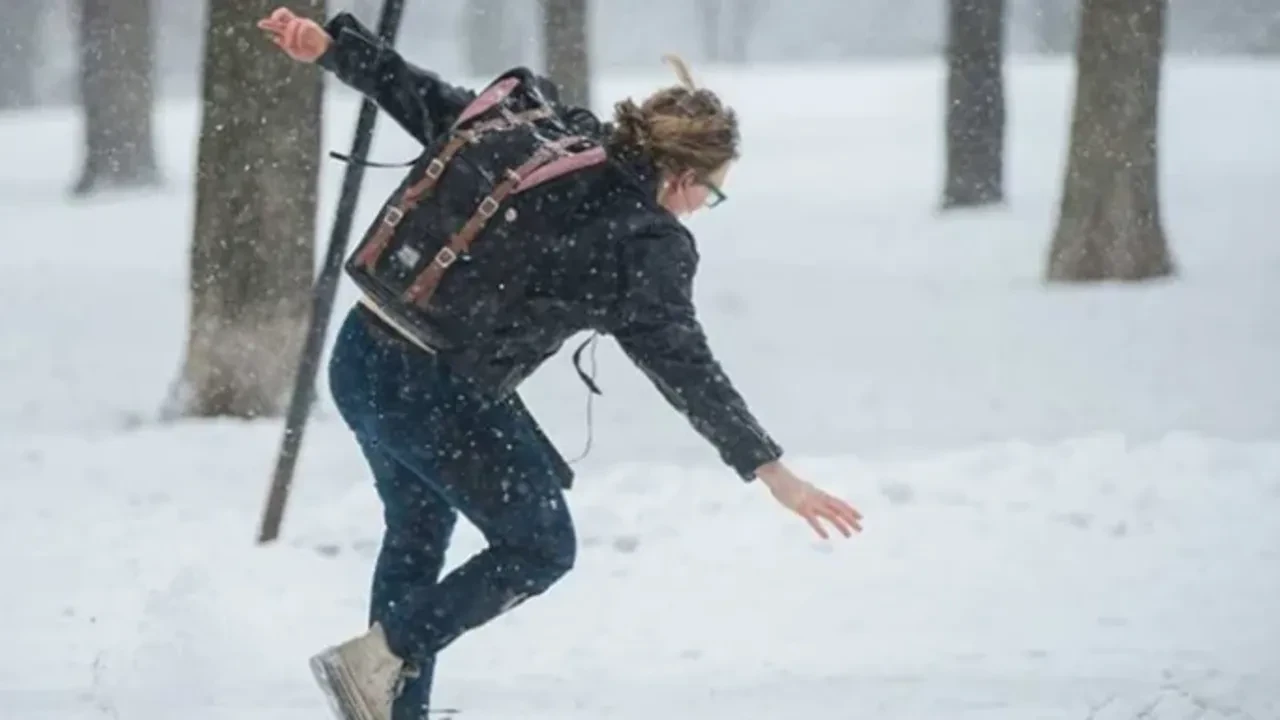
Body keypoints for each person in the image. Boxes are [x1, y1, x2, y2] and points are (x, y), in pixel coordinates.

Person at [258, 7, 863, 720]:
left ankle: (391, 705)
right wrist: (772, 470)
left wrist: (335, 49)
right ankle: (378, 663)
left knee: (418, 527)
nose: (703, 207)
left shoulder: (542, 138)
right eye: (712, 191)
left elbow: (427, 101)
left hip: (361, 358)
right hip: (427, 386)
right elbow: (683, 362)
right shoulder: (641, 240)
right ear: (680, 174)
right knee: (540, 545)